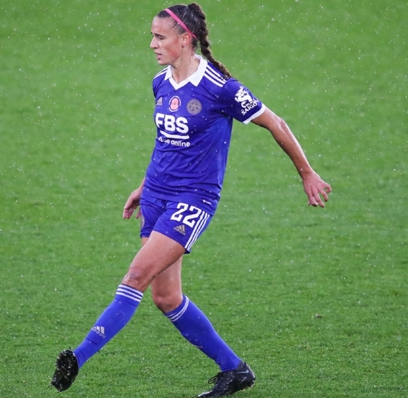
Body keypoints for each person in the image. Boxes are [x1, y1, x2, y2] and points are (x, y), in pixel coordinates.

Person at [51, 3, 332, 397]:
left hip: (193, 201)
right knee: (166, 298)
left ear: (185, 39)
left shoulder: (221, 88)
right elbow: (166, 143)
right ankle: (235, 371)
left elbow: (276, 123)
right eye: (151, 35)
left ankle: (77, 358)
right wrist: (144, 186)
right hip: (157, 196)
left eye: (160, 36)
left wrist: (306, 173)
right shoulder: (160, 83)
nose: (152, 44)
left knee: (135, 277)